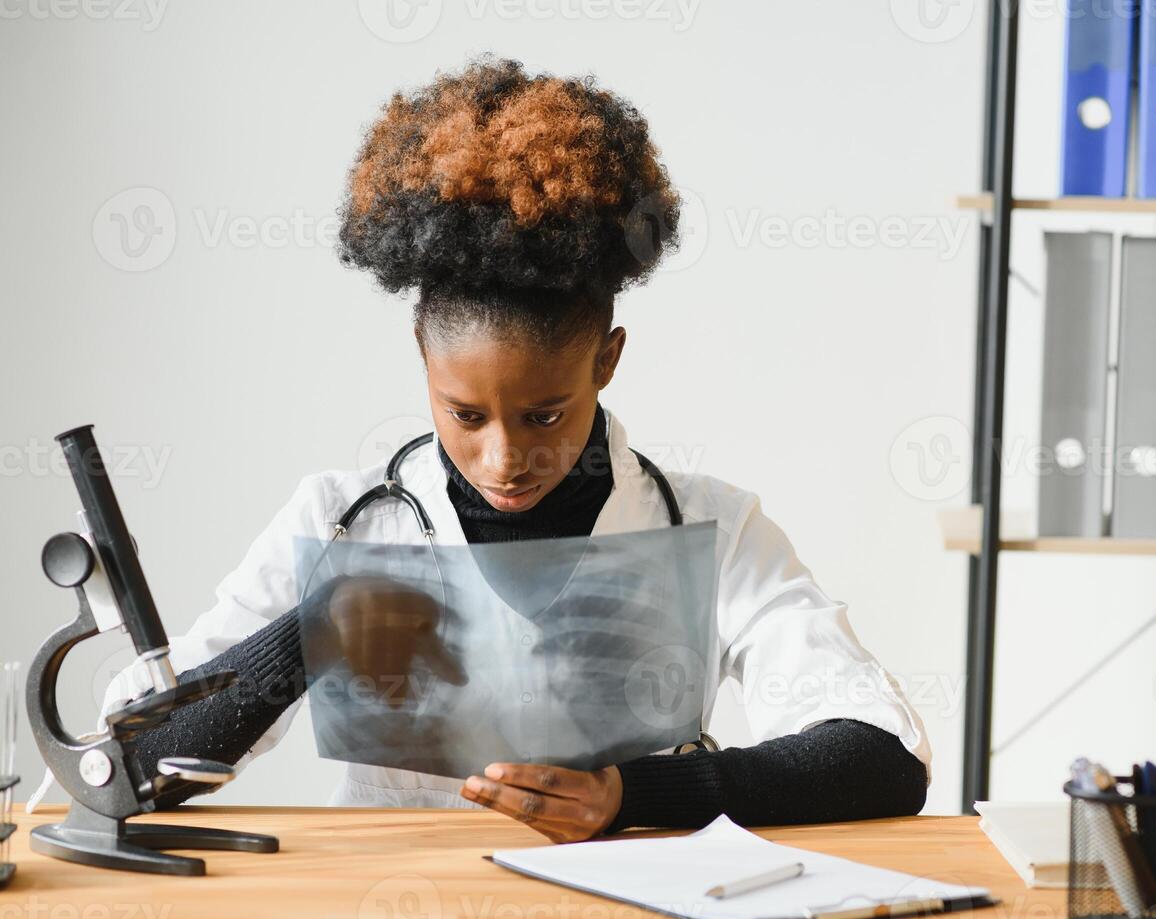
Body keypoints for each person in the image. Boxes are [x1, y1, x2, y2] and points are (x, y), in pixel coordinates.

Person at [102, 56, 931, 843]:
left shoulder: (713, 527)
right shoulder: (341, 525)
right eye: (465, 415)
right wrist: (309, 634)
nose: (503, 459)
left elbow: (884, 758)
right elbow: (130, 773)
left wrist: (632, 796)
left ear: (606, 361)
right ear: (423, 358)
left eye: (543, 416)